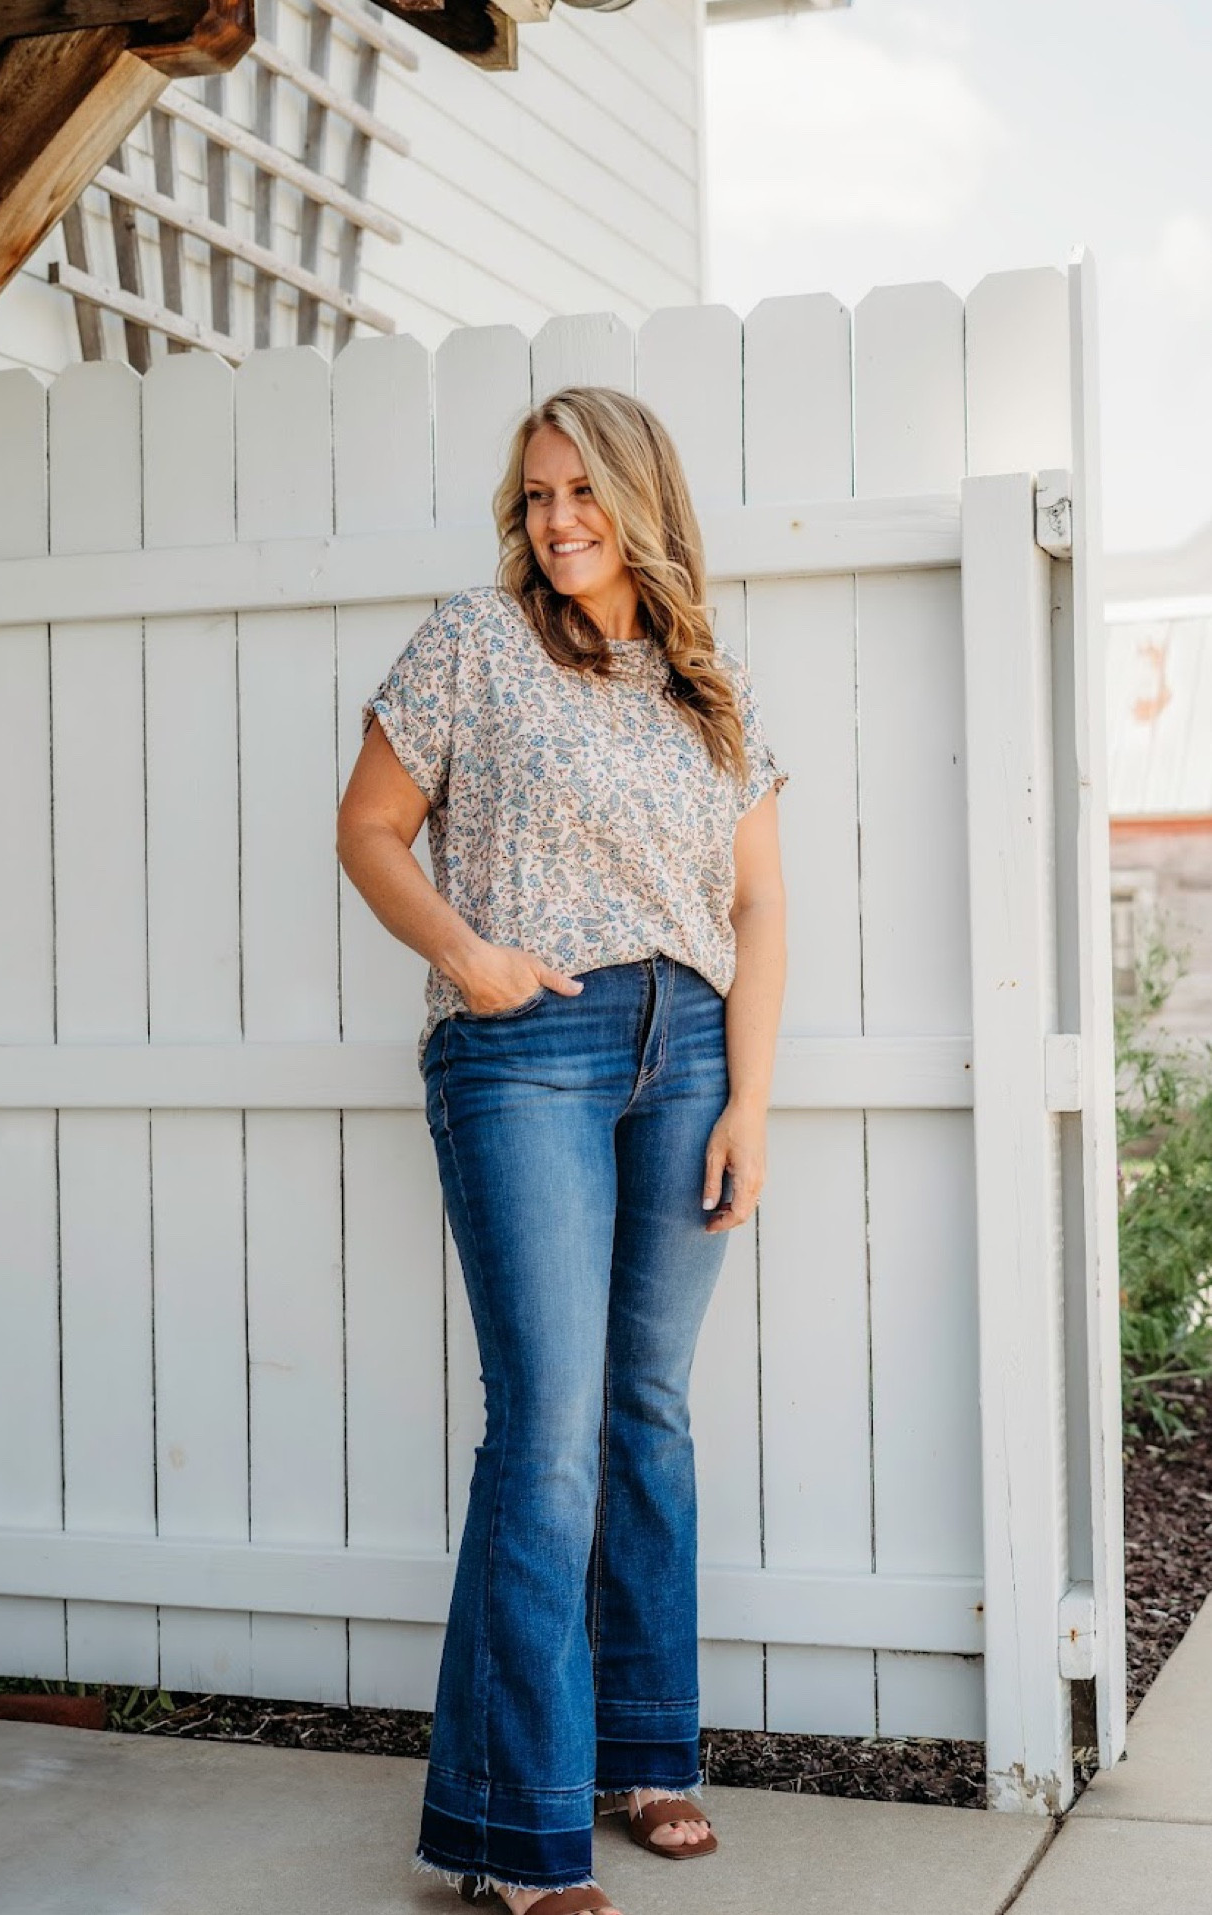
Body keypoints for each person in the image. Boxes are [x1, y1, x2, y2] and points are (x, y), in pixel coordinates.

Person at [336, 385, 789, 1915]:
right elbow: (370, 831)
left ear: (638, 499)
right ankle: (512, 1839)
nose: (556, 521)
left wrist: (748, 1097)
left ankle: (648, 1754)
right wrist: (468, 960)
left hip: (687, 1056)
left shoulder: (706, 687)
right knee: (545, 1431)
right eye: (535, 497)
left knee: (644, 1414)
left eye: (580, 492)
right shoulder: (470, 638)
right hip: (524, 1044)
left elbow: (759, 909)